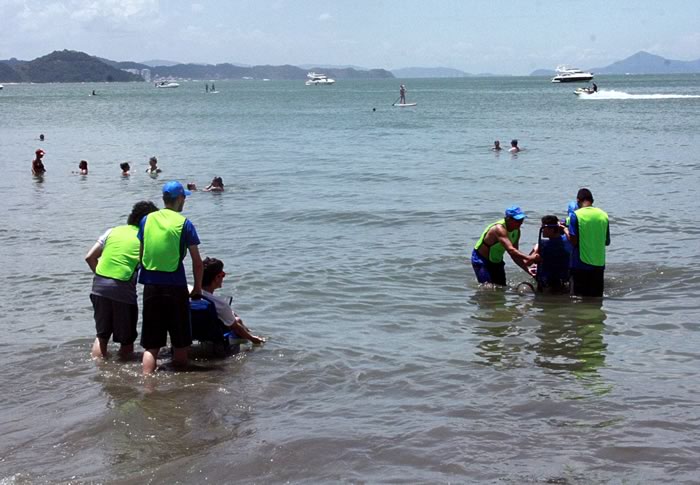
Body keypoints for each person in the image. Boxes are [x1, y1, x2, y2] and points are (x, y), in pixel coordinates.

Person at [138, 181, 203, 374]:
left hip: (150, 286)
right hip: (175, 287)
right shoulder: (184, 224)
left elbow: (141, 254)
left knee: (151, 346)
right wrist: (198, 289)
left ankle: (147, 385)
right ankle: (179, 388)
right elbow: (197, 262)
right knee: (181, 343)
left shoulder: (146, 220)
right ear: (180, 199)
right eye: (184, 198)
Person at [85, 201, 159, 359]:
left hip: (98, 286)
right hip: (123, 290)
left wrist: (102, 278)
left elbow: (90, 257)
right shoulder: (145, 238)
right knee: (126, 341)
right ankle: (121, 374)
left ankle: (100, 370)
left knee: (102, 335)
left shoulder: (112, 231)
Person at [200, 257, 265, 345]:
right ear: (217, 277)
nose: (223, 277)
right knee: (237, 321)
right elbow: (235, 327)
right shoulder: (221, 304)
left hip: (196, 331)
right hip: (214, 335)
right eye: (222, 274)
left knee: (233, 316)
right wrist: (253, 339)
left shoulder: (189, 296)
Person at [472, 206, 535, 286]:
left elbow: (514, 254)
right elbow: (511, 250)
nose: (521, 222)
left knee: (501, 287)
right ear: (508, 219)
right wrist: (529, 258)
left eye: (522, 219)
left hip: (497, 261)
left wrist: (528, 270)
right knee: (488, 288)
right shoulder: (498, 229)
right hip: (482, 260)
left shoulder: (517, 231)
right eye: (517, 220)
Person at [568, 188, 610, 297]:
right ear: (592, 200)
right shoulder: (604, 215)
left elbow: (573, 241)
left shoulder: (576, 215)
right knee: (596, 299)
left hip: (580, 265)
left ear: (578, 200)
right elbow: (607, 241)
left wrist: (564, 229)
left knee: (577, 299)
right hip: (599, 265)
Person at [530, 215, 572, 294]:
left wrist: (535, 251)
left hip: (548, 282)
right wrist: (565, 229)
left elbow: (527, 262)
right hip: (564, 279)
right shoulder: (569, 241)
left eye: (543, 228)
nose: (542, 231)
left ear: (551, 229)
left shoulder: (543, 245)